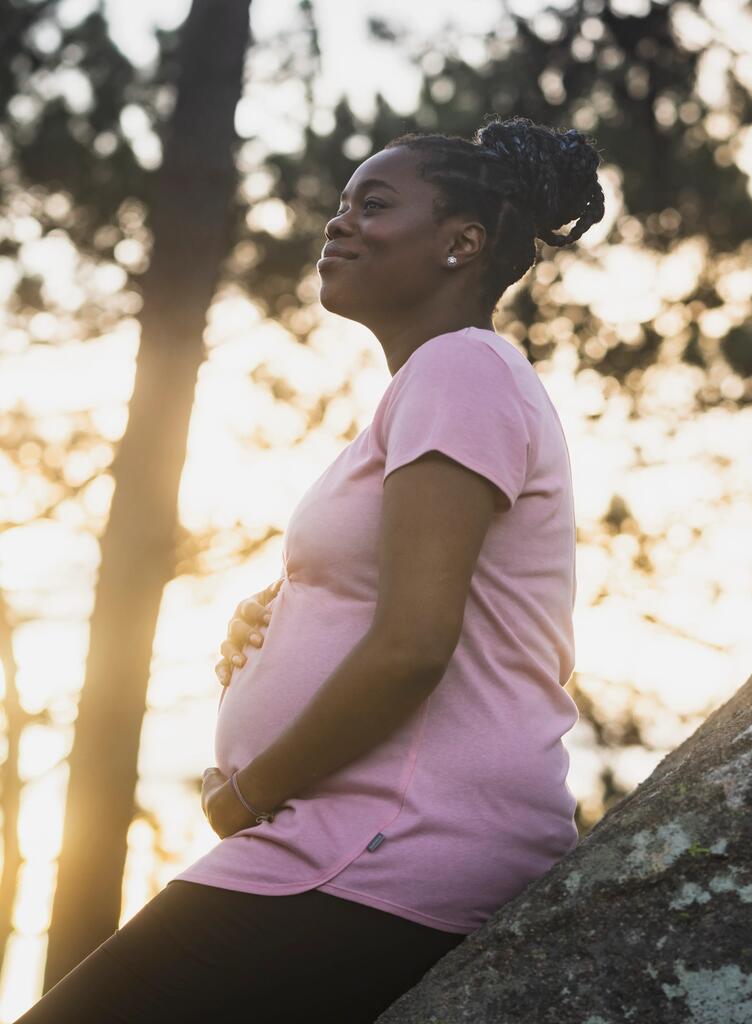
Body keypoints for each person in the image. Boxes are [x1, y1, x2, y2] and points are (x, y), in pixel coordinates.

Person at [16, 113, 605, 1023]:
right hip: (359, 841)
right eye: (339, 204)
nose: (338, 223)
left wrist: (249, 792)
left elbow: (414, 645)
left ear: (463, 243)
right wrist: (283, 616)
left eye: (374, 204)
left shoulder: (461, 371)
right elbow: (415, 594)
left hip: (390, 847)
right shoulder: (437, 388)